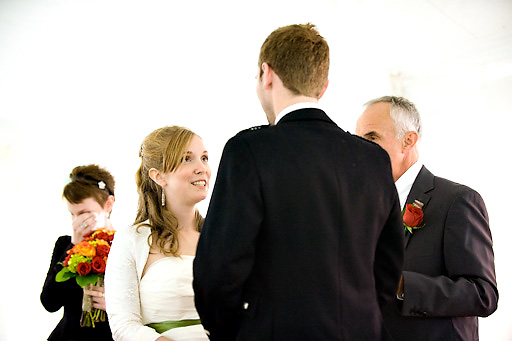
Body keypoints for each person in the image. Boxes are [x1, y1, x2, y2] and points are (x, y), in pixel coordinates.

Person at [193, 23, 404, 341]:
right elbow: (388, 267)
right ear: (323, 87)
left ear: (267, 74)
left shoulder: (249, 150)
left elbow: (219, 272)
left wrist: (242, 331)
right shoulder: (375, 160)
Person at [355, 95, 498, 340]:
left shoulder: (457, 200)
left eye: (371, 137)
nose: (360, 149)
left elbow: (482, 294)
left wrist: (402, 285)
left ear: (408, 141)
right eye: (357, 140)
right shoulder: (359, 206)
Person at [105, 126, 210, 341]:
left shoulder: (222, 236)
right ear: (159, 176)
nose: (202, 168)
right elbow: (124, 326)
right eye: (186, 159)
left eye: (205, 158)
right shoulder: (131, 240)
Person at [41, 164, 116, 341]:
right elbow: (49, 302)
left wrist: (118, 306)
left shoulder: (126, 245)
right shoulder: (65, 244)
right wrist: (74, 244)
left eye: (85, 213)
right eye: (72, 214)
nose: (78, 221)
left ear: (108, 204)